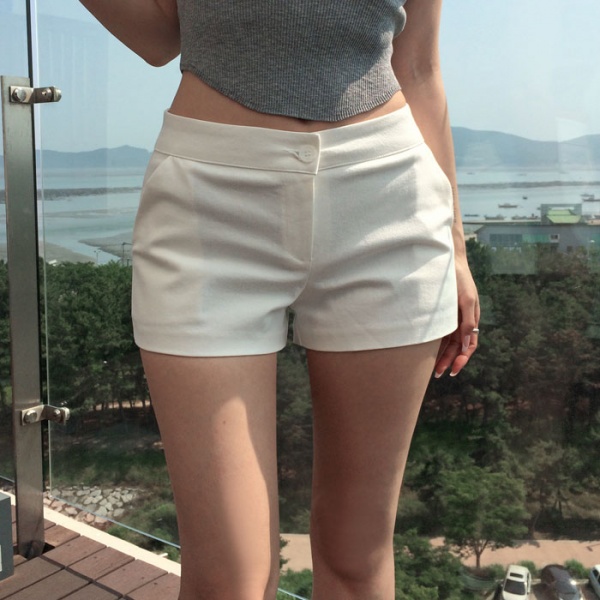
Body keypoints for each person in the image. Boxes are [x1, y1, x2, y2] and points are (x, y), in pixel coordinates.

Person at [80, 1, 480, 599]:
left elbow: (419, 66)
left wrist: (456, 246)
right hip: (209, 201)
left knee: (357, 558)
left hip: (389, 198)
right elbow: (161, 34)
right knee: (227, 582)